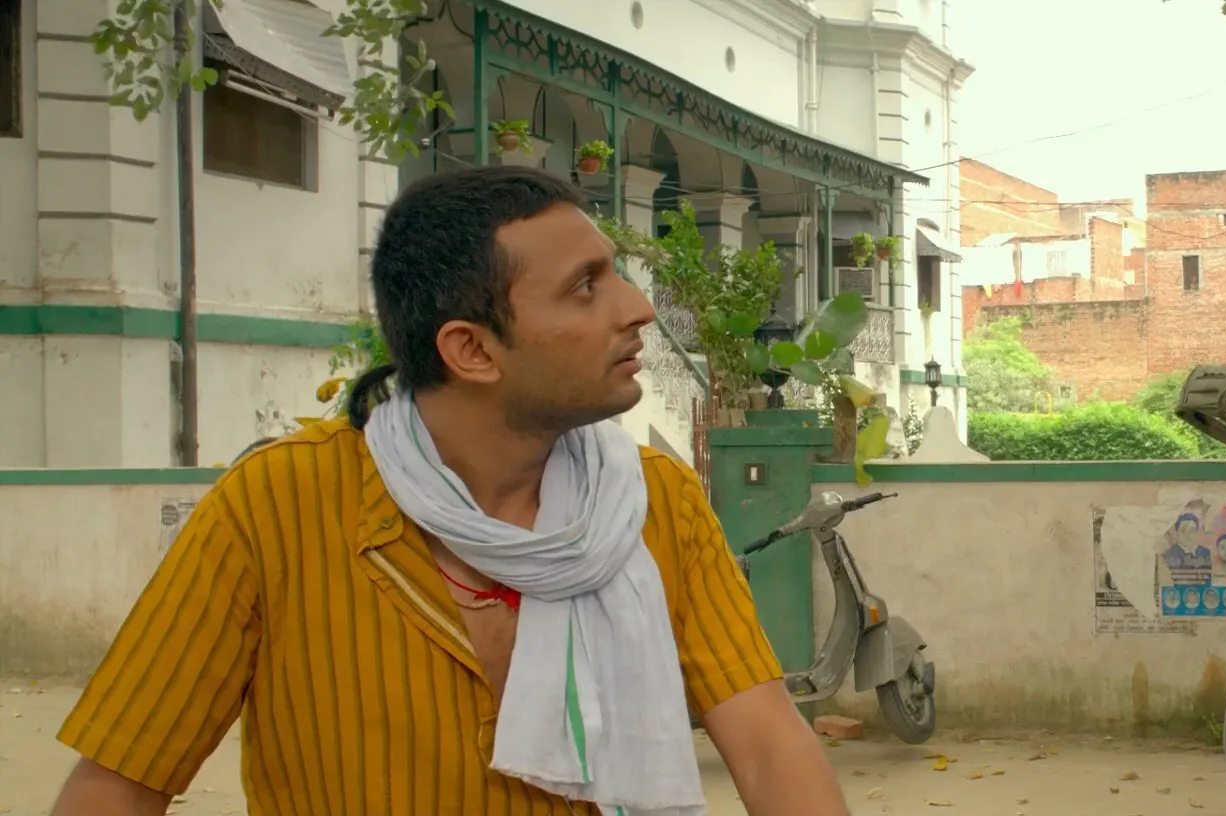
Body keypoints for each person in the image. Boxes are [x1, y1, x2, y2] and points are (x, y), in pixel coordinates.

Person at [49, 166, 851, 816]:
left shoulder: (656, 503)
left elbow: (769, 749)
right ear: (471, 350)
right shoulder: (274, 507)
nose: (638, 309)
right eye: (586, 286)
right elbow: (119, 785)